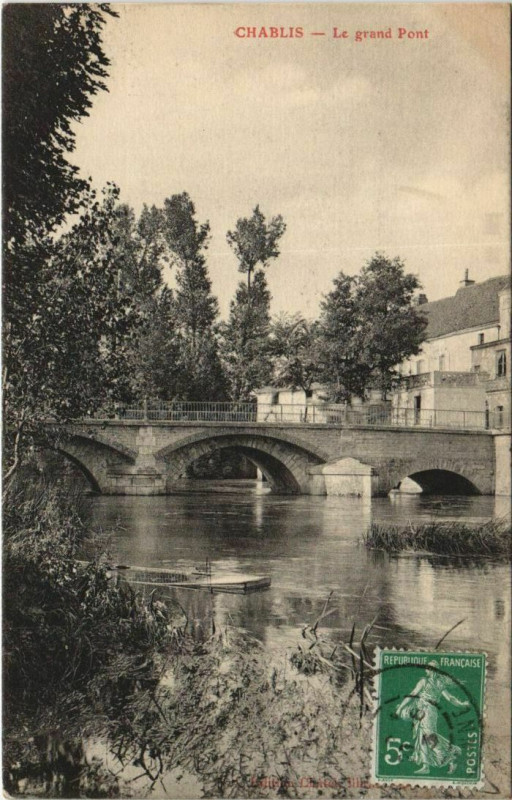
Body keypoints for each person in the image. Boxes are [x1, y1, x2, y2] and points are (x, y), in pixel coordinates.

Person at [395, 661, 470, 775]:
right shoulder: (437, 683)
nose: (427, 670)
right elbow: (450, 699)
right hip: (424, 711)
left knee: (429, 737)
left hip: (428, 711)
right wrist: (462, 704)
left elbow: (413, 694)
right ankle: (426, 766)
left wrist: (400, 707)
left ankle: (452, 754)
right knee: (422, 738)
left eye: (429, 668)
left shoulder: (428, 682)